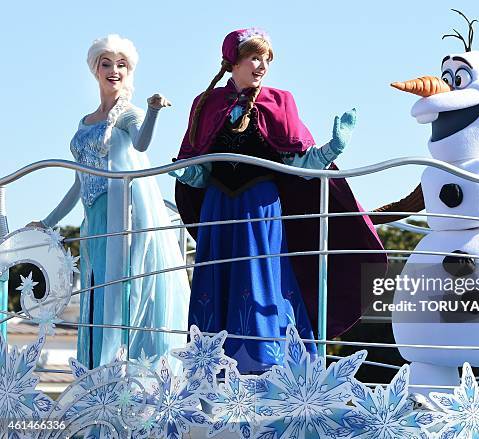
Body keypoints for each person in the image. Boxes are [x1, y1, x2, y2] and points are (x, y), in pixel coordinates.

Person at [172, 28, 386, 373]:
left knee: (259, 281)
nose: (262, 65)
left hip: (259, 208)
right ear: (233, 61)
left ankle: (266, 367)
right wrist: (185, 173)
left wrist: (332, 149)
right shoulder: (206, 104)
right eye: (255, 57)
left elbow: (299, 165)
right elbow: (200, 168)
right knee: (217, 283)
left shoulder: (279, 100)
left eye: (266, 58)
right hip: (218, 208)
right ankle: (211, 370)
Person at [32, 34, 190, 369]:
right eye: (106, 63)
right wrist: (47, 222)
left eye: (121, 64)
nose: (113, 70)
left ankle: (126, 378)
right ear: (95, 70)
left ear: (128, 71)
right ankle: (96, 377)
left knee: (126, 289)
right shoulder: (85, 121)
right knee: (97, 291)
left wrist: (152, 110)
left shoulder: (128, 114)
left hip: (125, 214)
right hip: (96, 220)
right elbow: (79, 182)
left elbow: (143, 144)